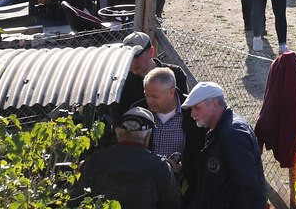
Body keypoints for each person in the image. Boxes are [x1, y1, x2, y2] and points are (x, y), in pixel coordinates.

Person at [182, 82, 267, 209]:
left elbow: (248, 189)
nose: (192, 114)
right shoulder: (219, 129)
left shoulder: (233, 134)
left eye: (197, 108)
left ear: (215, 104)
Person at [77, 107, 181, 209]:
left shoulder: (95, 161)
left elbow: (75, 200)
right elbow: (172, 204)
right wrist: (175, 176)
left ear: (117, 132)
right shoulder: (160, 166)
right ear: (148, 136)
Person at [140, 67, 206, 199]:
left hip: (186, 188)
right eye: (146, 95)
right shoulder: (140, 113)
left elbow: (203, 152)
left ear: (171, 92)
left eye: (154, 96)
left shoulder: (194, 112)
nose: (149, 101)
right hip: (149, 188)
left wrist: (184, 168)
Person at [116, 31, 189, 117]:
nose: (132, 62)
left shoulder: (176, 75)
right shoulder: (123, 82)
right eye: (128, 57)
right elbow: (119, 119)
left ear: (151, 52)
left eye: (137, 56)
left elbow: (185, 110)